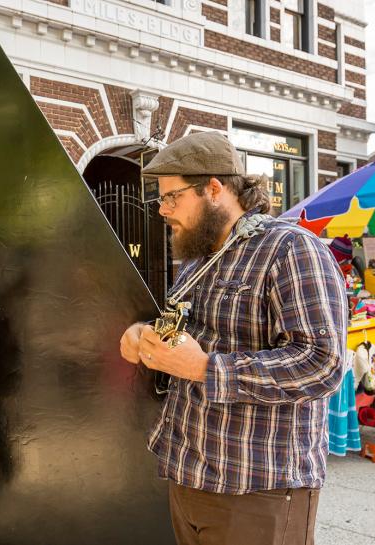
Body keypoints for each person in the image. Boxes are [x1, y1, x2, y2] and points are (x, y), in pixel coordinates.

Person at [117, 132, 347, 545]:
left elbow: (323, 363)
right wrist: (145, 336)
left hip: (259, 486)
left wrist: (205, 367)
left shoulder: (291, 248)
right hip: (190, 474)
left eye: (173, 197)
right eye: (161, 199)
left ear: (214, 189)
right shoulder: (199, 260)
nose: (163, 210)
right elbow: (185, 340)